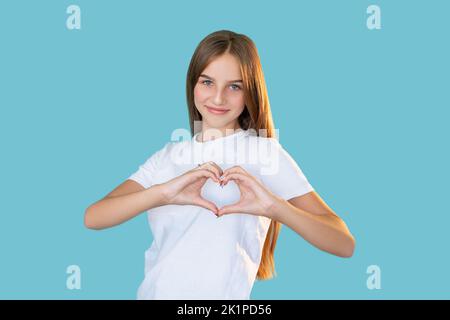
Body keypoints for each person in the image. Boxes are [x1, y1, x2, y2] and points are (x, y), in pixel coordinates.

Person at [84, 30, 356, 300]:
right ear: (192, 83)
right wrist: (163, 193)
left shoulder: (263, 152)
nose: (217, 98)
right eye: (207, 82)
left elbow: (343, 243)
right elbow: (94, 217)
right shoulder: (168, 156)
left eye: (234, 86)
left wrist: (275, 207)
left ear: (250, 92)